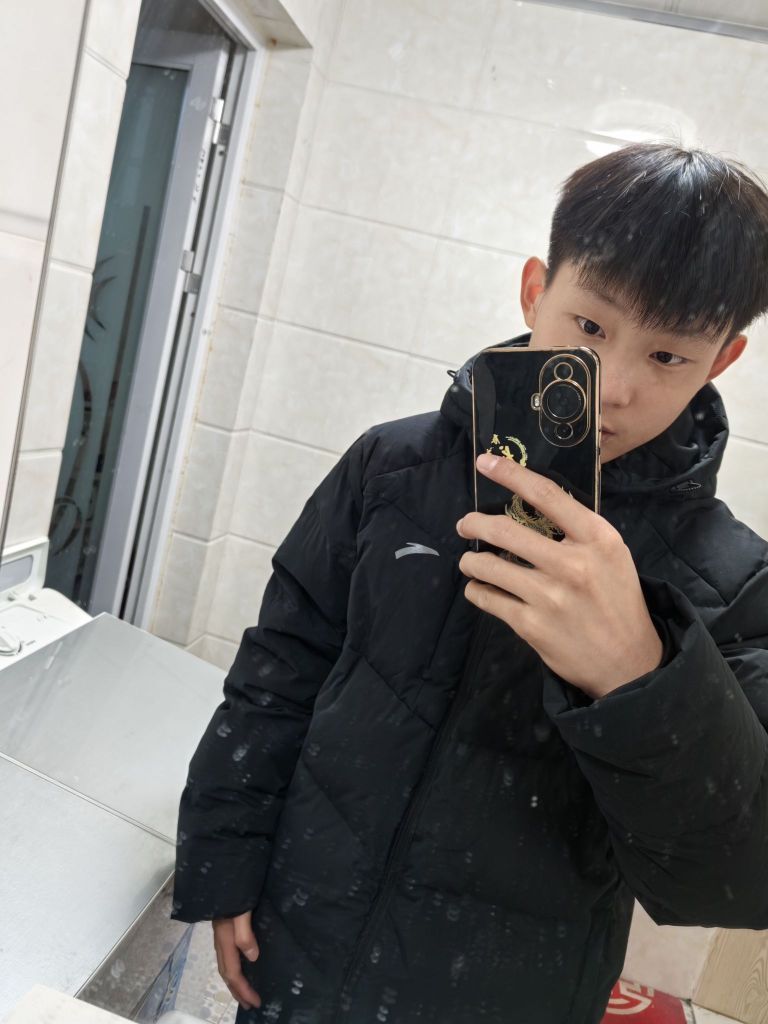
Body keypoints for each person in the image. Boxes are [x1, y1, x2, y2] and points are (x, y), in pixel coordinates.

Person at [170, 142, 768, 1024]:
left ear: (721, 361)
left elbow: (735, 877)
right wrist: (224, 862)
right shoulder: (391, 466)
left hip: (512, 995)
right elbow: (280, 668)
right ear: (534, 292)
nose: (613, 389)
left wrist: (642, 674)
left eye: (669, 357)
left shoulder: (734, 581)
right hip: (301, 940)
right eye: (590, 327)